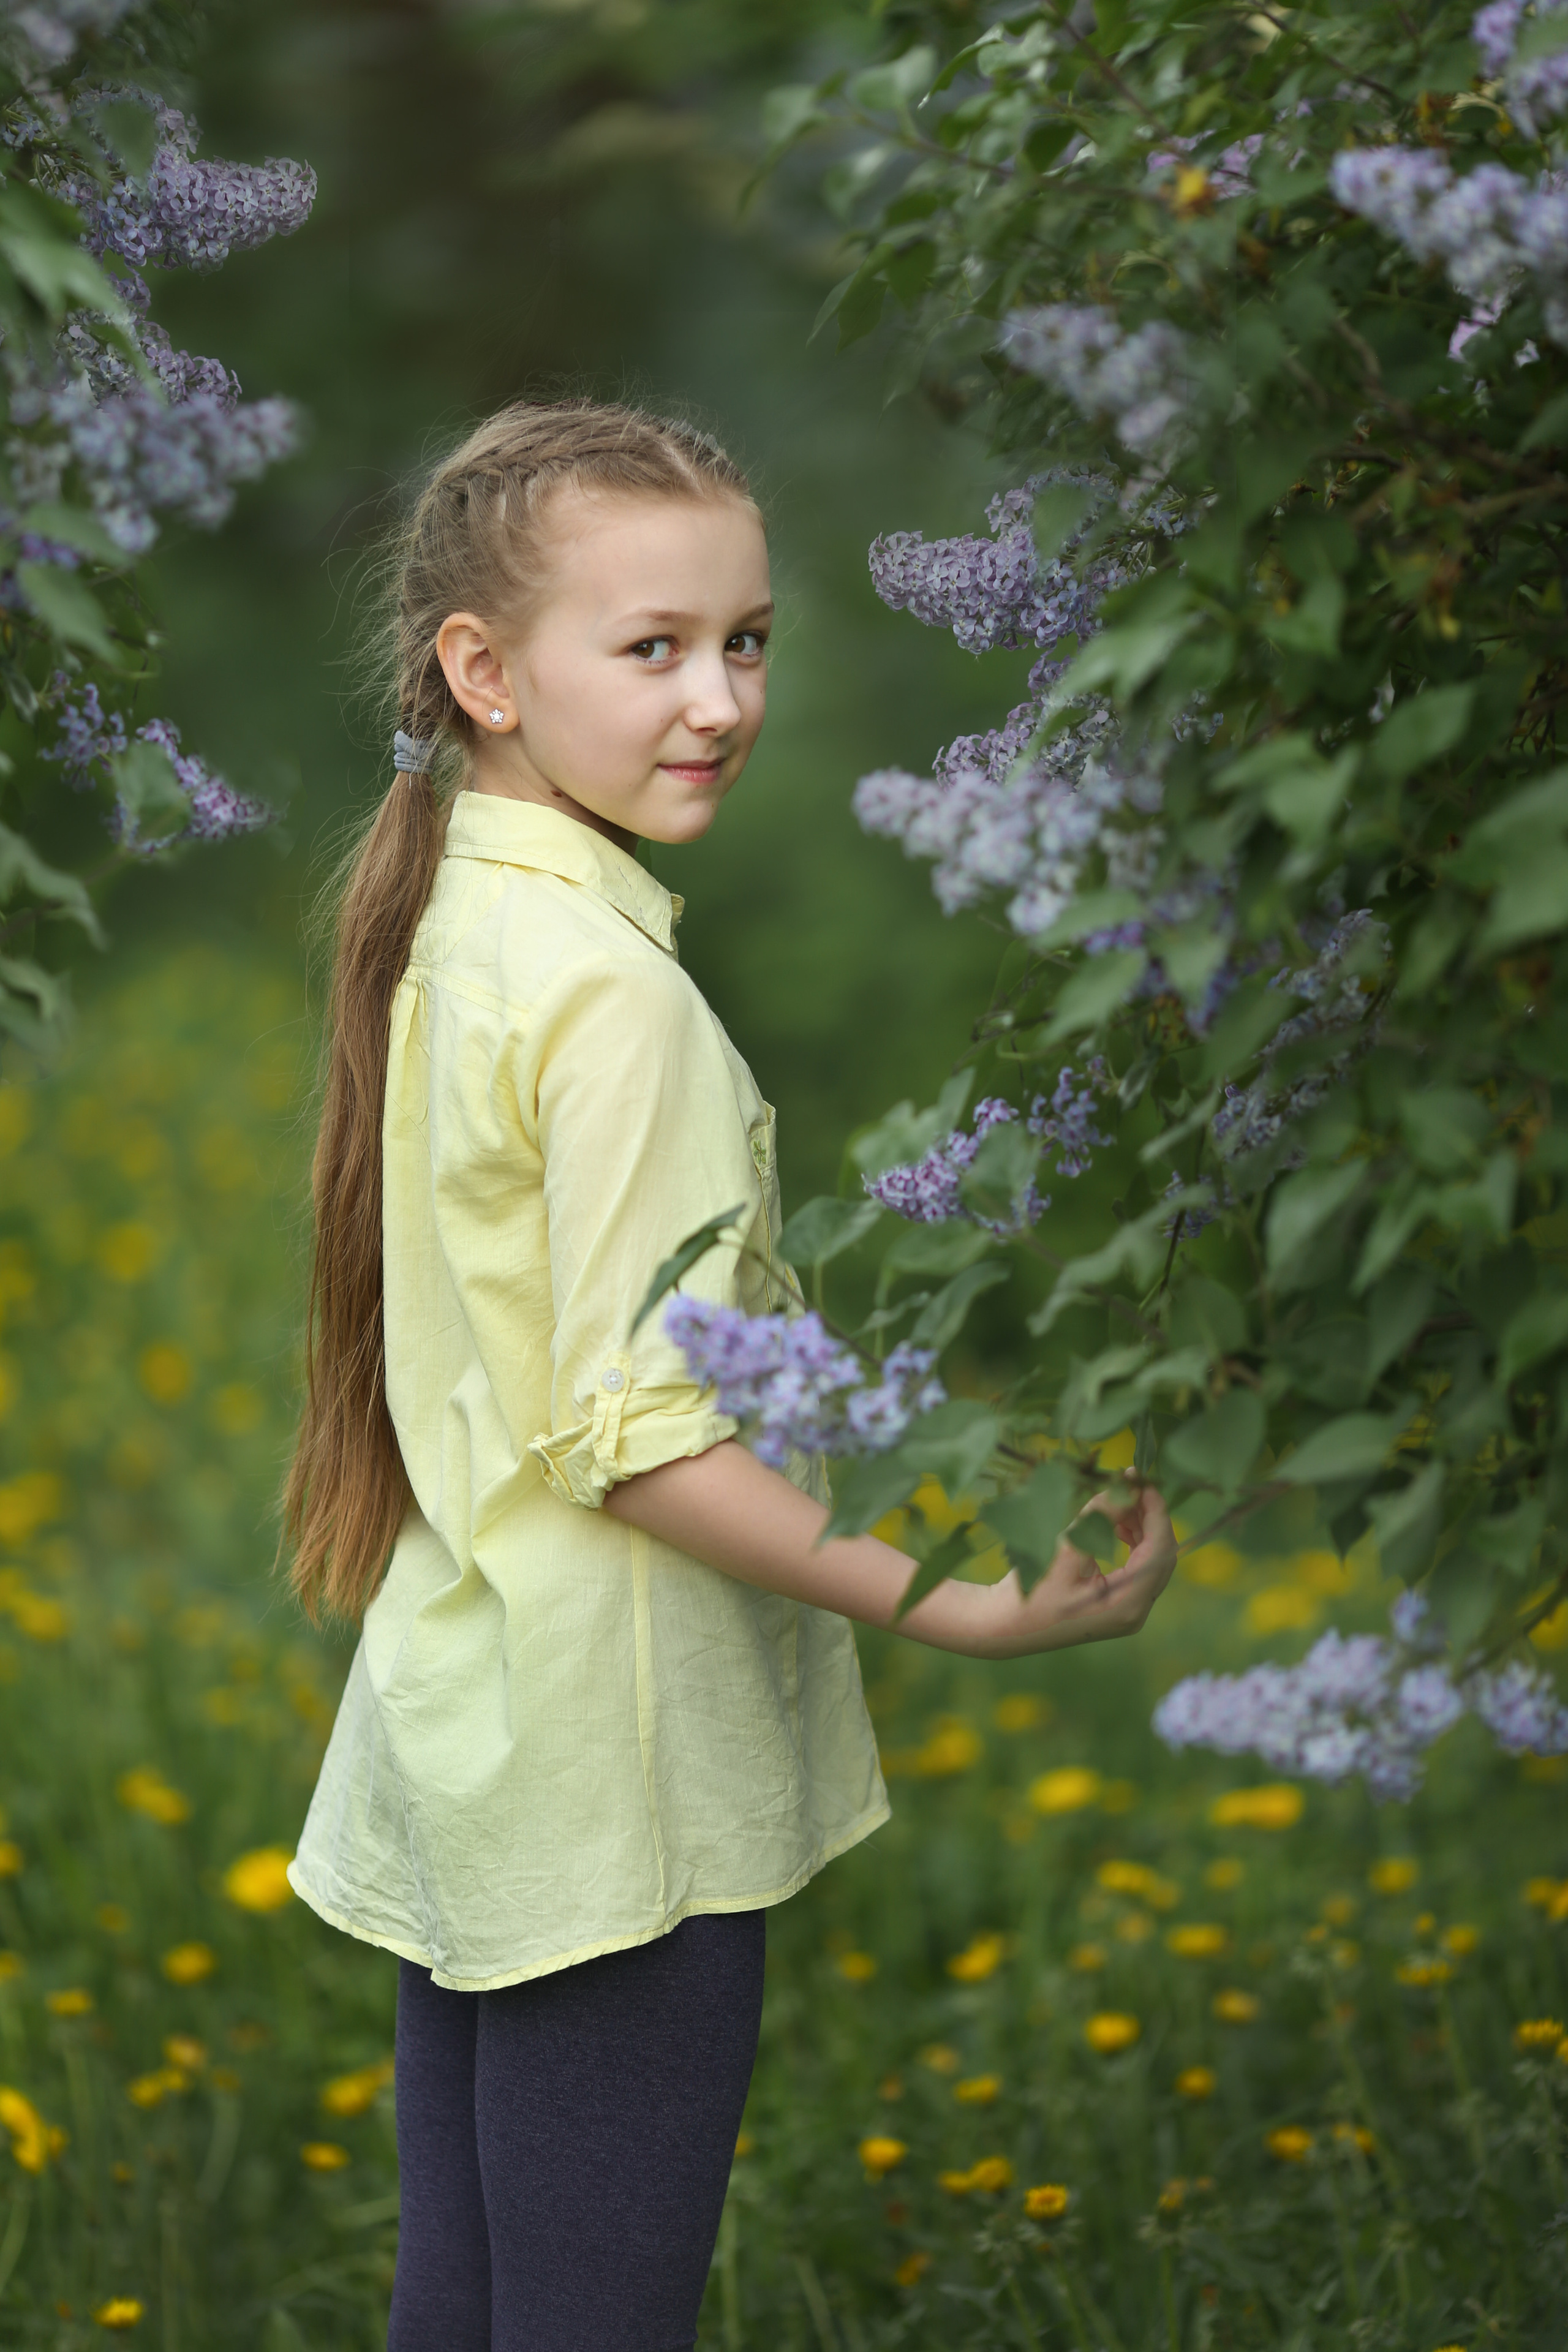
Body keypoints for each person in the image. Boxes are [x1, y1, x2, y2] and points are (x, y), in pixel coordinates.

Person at [282, 398, 1176, 2352]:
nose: (720, 699)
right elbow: (637, 1435)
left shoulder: (464, 924)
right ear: (484, 672)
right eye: (656, 646)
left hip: (489, 1732)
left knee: (475, 2314)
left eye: (747, 640)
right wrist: (966, 1604)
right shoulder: (611, 995)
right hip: (620, 1779)